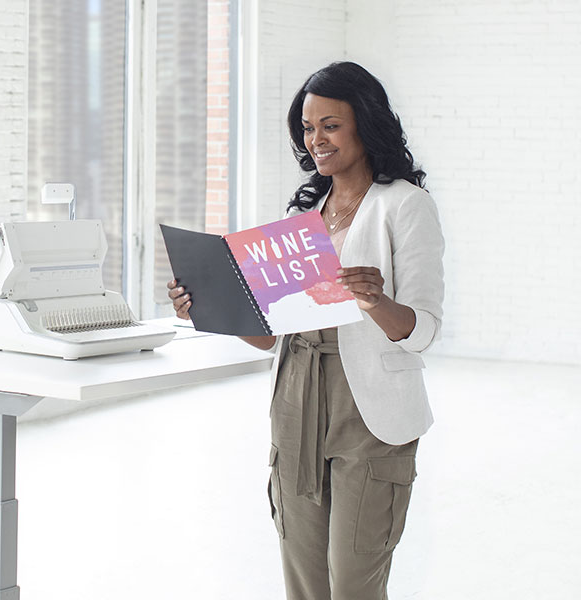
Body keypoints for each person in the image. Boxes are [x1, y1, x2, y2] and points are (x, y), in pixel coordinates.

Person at [167, 61, 444, 600]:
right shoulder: (305, 214)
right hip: (295, 397)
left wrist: (375, 300)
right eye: (308, 127)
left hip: (369, 408)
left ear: (366, 123)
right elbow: (271, 334)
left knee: (354, 583)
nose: (316, 139)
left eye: (331, 125)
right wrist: (210, 306)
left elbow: (425, 330)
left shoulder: (406, 206)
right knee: (304, 582)